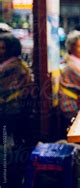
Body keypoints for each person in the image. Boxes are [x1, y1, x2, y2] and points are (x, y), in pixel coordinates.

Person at [0, 33, 36, 187]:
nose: (0, 51)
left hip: (11, 117)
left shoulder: (12, 68)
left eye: (2, 48)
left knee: (7, 154)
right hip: (14, 116)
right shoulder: (15, 65)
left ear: (11, 49)